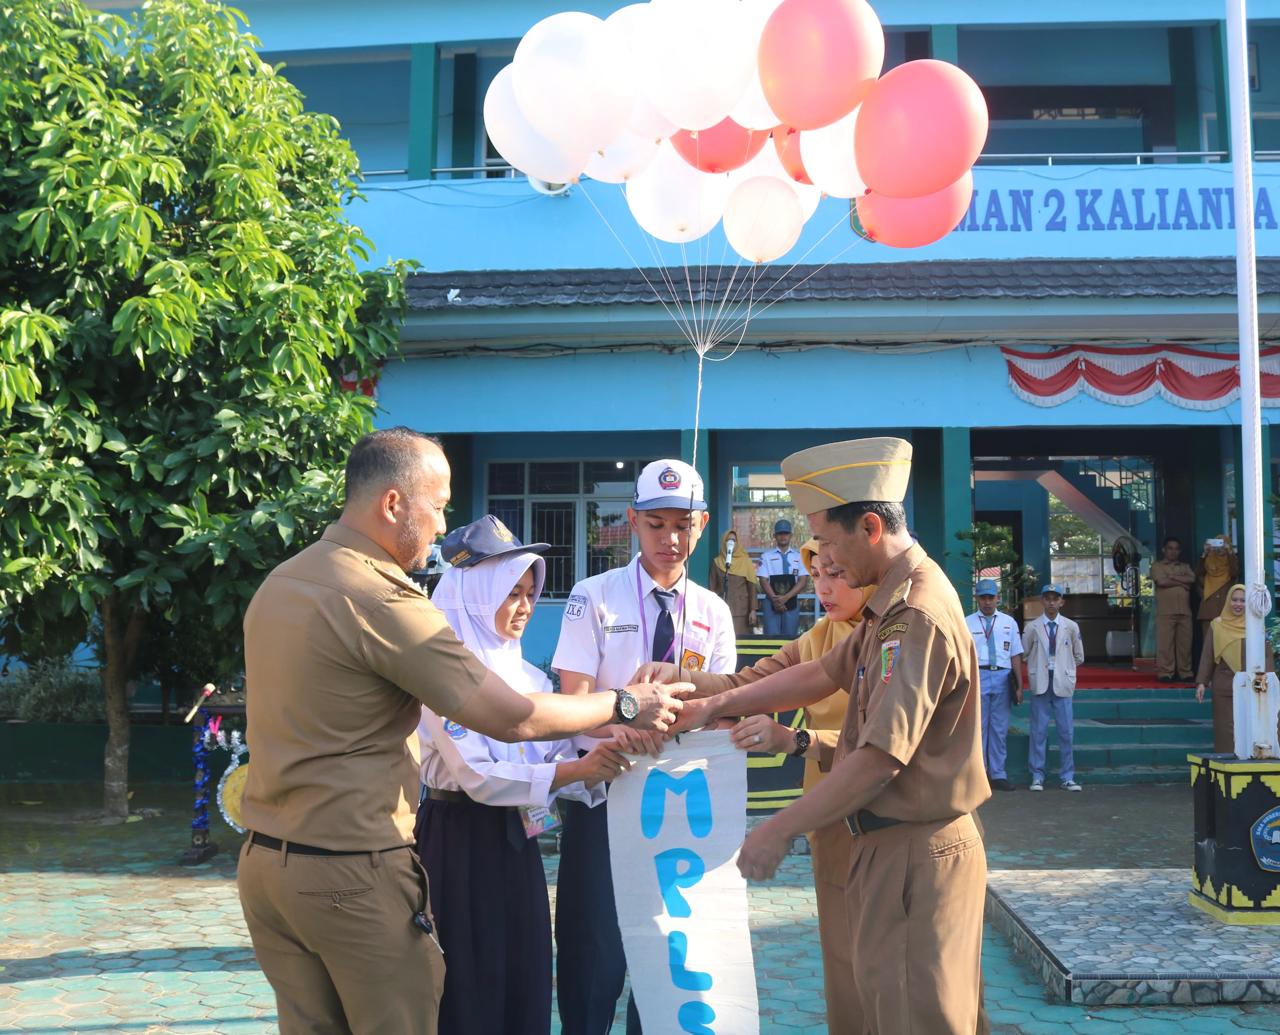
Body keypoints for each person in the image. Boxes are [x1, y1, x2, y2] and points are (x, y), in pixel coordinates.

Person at [236, 428, 683, 1035]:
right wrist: (626, 702)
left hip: (269, 866)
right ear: (394, 504)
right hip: (352, 869)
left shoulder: (282, 582)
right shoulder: (380, 599)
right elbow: (514, 718)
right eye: (439, 505)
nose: (441, 528)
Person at [667, 436, 990, 1035]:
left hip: (912, 846)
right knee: (883, 1004)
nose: (823, 560)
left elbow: (879, 760)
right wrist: (715, 704)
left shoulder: (913, 615)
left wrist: (778, 828)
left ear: (870, 526)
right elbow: (818, 673)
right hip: (888, 845)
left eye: (830, 542)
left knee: (912, 1016)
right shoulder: (889, 604)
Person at [641, 535, 872, 1031]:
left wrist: (797, 739)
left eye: (836, 574)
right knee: (843, 967)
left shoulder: (892, 636)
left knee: (892, 974)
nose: (824, 588)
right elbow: (747, 683)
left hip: (882, 818)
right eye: (817, 576)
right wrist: (683, 676)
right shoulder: (818, 638)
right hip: (828, 815)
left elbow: (884, 745)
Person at [416, 516, 632, 1035]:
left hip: (516, 842)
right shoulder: (441, 672)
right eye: (510, 593)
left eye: (531, 593)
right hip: (456, 838)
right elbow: (478, 778)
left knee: (526, 969)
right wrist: (576, 767)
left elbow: (559, 759)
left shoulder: (531, 678)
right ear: (474, 593)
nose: (524, 607)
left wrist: (619, 752)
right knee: (469, 979)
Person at [551, 458, 736, 1035]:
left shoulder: (713, 611)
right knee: (592, 954)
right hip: (603, 801)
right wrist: (625, 725)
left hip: (677, 810)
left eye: (683, 525)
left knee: (666, 956)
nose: (670, 540)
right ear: (633, 520)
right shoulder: (593, 596)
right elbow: (570, 702)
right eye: (657, 524)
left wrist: (683, 723)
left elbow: (720, 709)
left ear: (702, 524)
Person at [1196, 583, 1274, 753]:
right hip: (1224, 683)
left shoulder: (1256, 625)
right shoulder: (1217, 625)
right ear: (1228, 601)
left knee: (1252, 723)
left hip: (1251, 683)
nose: (1238, 604)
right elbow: (1208, 654)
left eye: (1243, 600)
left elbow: (1266, 656)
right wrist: (1202, 682)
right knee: (1225, 727)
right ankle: (1226, 763)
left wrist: (1266, 681)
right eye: (1235, 599)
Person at [1022, 585, 1085, 792]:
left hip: (1062, 682)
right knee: (1038, 731)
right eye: (1047, 598)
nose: (1051, 602)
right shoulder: (1032, 626)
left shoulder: (1071, 626)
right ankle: (1037, 775)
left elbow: (1079, 656)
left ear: (1061, 602)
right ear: (1042, 601)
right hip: (1041, 681)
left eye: (1055, 599)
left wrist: (1065, 669)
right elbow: (1024, 652)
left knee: (1066, 732)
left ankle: (1068, 776)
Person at [965, 577, 1023, 792]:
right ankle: (979, 774)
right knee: (978, 728)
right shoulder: (967, 622)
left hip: (1003, 676)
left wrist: (1019, 685)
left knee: (999, 728)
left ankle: (998, 774)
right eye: (983, 598)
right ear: (977, 599)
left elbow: (1015, 654)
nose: (987, 602)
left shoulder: (1009, 623)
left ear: (998, 598)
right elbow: (963, 654)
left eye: (991, 597)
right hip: (978, 676)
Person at [1150, 536, 1196, 682]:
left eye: (1176, 549)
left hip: (1184, 611)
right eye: (1170, 548)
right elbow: (1161, 581)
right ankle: (1166, 672)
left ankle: (1185, 672)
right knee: (1165, 644)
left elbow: (1192, 579)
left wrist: (1173, 577)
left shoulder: (1185, 566)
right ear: (1164, 549)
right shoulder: (1157, 566)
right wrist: (1182, 583)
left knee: (1185, 645)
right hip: (1165, 612)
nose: (1173, 551)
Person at [757, 518, 808, 637]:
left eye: (786, 533)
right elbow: (763, 580)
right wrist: (775, 600)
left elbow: (802, 580)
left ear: (791, 535)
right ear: (774, 536)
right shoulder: (766, 556)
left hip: (791, 601)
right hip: (771, 602)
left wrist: (785, 598)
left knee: (790, 638)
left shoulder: (799, 557)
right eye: (780, 533)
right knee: (771, 637)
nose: (783, 536)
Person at [708, 529, 759, 636]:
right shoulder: (717, 562)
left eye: (734, 540)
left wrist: (753, 610)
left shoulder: (745, 561)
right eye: (728, 540)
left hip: (741, 611)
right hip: (721, 610)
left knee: (740, 641)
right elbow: (712, 588)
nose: (731, 543)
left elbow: (752, 588)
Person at [1197, 535, 1240, 641]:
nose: (1220, 548)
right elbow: (1198, 573)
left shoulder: (1231, 560)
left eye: (1222, 544)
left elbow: (1235, 572)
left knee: (1226, 642)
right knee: (1209, 642)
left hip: (1225, 608)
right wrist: (1204, 554)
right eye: (1217, 544)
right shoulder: (1208, 559)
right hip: (1209, 608)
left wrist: (1229, 552)